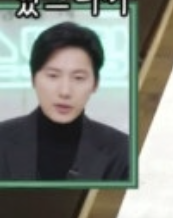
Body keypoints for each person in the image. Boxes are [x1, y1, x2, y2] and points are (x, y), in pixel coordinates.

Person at [0, 22, 129, 181]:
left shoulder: (123, 150)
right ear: (33, 79)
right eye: (53, 76)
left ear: (95, 84)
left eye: (78, 78)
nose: (65, 92)